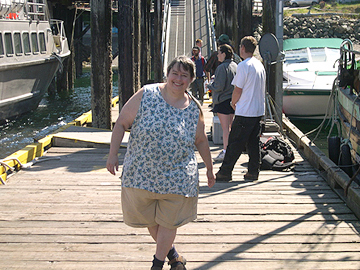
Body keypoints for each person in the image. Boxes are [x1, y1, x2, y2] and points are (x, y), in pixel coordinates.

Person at [106, 55, 215, 270]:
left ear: (192, 79)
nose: (178, 79)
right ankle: (173, 255)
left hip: (178, 177)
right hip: (141, 174)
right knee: (151, 220)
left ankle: (157, 264)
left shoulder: (194, 108)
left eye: (184, 75)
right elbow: (121, 124)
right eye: (175, 73)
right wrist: (112, 154)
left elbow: (201, 140)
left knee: (168, 222)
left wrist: (210, 169)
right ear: (167, 74)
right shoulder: (146, 94)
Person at [215, 36, 266, 182]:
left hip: (245, 110)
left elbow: (238, 89)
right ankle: (253, 171)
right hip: (257, 110)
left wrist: (233, 102)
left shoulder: (244, 66)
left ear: (242, 48)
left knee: (234, 142)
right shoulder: (259, 65)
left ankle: (225, 171)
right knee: (253, 143)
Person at [207, 44, 237, 161]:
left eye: (219, 53)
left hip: (222, 101)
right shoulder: (235, 66)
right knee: (230, 127)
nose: (217, 55)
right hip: (233, 100)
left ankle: (225, 151)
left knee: (225, 129)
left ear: (224, 54)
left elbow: (218, 86)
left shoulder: (221, 68)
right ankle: (230, 149)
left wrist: (209, 85)